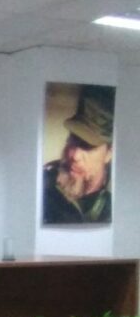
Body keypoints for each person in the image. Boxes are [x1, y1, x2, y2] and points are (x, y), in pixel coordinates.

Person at [43, 85, 114, 224]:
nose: (75, 155)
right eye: (73, 139)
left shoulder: (118, 204)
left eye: (88, 146)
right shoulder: (43, 182)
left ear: (108, 154)